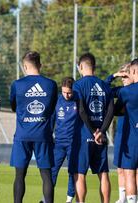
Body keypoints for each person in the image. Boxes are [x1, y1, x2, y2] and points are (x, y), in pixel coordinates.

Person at [10, 51, 57, 203]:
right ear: (40, 65)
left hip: (22, 135)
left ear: (24, 66)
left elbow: (13, 106)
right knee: (46, 175)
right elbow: (51, 108)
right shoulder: (51, 84)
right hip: (43, 134)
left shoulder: (17, 85)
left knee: (19, 175)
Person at [69, 53, 114, 203]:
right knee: (103, 173)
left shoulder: (78, 85)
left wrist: (92, 131)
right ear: (94, 67)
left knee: (80, 174)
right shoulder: (105, 86)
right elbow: (110, 112)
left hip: (83, 135)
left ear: (81, 67)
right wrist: (101, 131)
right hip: (100, 137)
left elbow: (81, 110)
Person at [105, 63, 132, 203]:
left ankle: (133, 197)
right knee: (120, 167)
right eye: (122, 77)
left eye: (125, 76)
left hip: (134, 135)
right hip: (121, 133)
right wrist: (114, 75)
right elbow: (104, 88)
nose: (123, 79)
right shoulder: (121, 91)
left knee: (134, 170)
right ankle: (122, 198)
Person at [49, 77, 76, 203]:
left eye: (69, 92)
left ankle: (69, 199)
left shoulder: (79, 100)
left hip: (74, 144)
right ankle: (47, 198)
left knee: (72, 172)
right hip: (58, 143)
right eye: (64, 92)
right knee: (52, 171)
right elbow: (52, 120)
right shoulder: (57, 100)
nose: (66, 95)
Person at [115, 59, 138, 203]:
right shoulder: (123, 90)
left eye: (127, 74)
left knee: (130, 172)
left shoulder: (126, 92)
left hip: (132, 138)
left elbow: (116, 111)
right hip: (126, 135)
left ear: (133, 72)